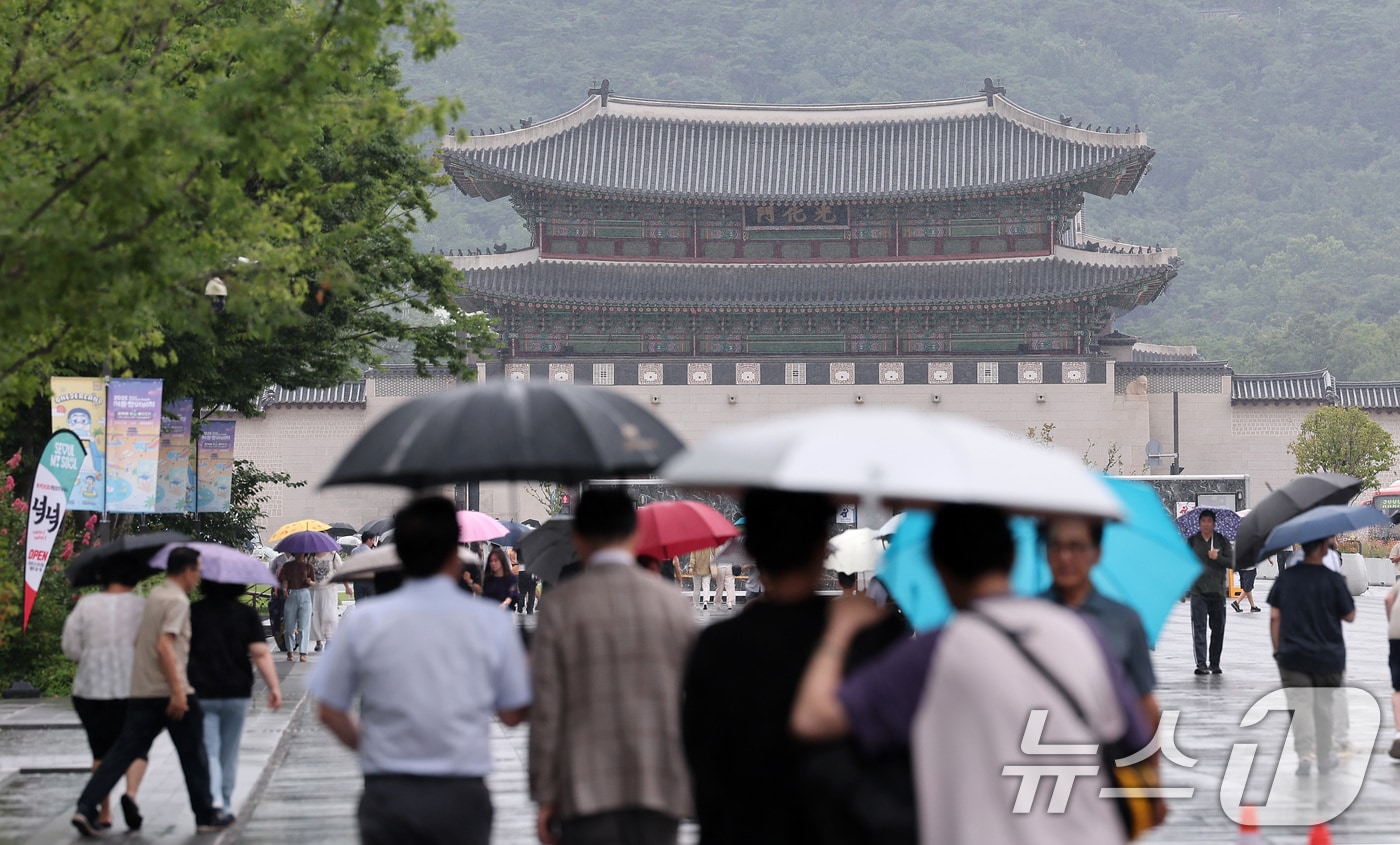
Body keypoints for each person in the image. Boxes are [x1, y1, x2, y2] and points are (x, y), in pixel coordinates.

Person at [791, 504, 1149, 845]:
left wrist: (839, 630)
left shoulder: (931, 653)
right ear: (1013, 557)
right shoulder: (1084, 634)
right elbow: (1136, 740)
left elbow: (813, 719)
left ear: (938, 567)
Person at [310, 496, 530, 845]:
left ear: (400, 553)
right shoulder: (489, 622)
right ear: (454, 554)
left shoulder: (364, 621)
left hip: (389, 789)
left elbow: (329, 709)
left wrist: (369, 745)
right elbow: (513, 713)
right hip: (462, 790)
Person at [529, 489, 695, 845]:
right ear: (636, 534)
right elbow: (694, 700)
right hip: (658, 786)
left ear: (578, 539)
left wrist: (545, 793)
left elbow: (547, 709)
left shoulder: (560, 607)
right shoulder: (674, 605)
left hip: (585, 790)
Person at [682, 489, 840, 844]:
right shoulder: (854, 640)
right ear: (822, 547)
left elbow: (700, 758)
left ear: (751, 549)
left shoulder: (717, 646)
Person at [71, 547, 235, 836]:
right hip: (170, 691)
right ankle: (206, 814)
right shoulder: (177, 601)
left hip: (143, 691)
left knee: (122, 753)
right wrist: (178, 692)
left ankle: (85, 806)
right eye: (197, 571)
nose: (198, 577)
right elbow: (164, 646)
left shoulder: (156, 595)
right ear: (186, 571)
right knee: (194, 754)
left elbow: (141, 640)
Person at [1038, 516, 1160, 729]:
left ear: (1096, 554)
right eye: (1056, 546)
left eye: (1076, 547)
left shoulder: (1123, 620)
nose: (1065, 557)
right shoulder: (1029, 617)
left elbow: (1145, 704)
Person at [61, 571, 149, 831]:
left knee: (100, 750)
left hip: (89, 689)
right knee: (136, 746)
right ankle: (130, 796)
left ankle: (104, 813)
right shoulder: (140, 606)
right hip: (130, 688)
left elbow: (70, 648)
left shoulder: (86, 605)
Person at [189, 582, 283, 814]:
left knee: (209, 749)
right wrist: (273, 687)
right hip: (236, 691)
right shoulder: (246, 614)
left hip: (202, 691)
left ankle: (214, 800)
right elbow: (260, 653)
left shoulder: (193, 612)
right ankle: (226, 802)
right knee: (229, 752)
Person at [1268, 534, 1356, 775]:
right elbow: (1350, 615)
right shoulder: (1334, 579)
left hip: (1293, 655)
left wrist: (1277, 650)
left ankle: (1305, 755)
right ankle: (1325, 756)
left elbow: (1275, 617)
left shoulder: (1286, 578)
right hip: (1328, 656)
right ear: (1323, 549)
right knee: (1324, 706)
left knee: (1300, 706)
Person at [1187, 510, 1233, 675]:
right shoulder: (1192, 541)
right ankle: (1201, 664)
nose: (1206, 524)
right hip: (1198, 592)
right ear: (1199, 523)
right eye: (1203, 521)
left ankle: (1214, 663)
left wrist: (1217, 558)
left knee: (1218, 629)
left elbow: (1232, 562)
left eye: (1209, 521)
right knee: (1199, 628)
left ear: (1214, 523)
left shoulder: (1221, 541)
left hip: (1217, 592)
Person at [279, 553, 316, 662]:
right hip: (292, 593)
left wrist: (310, 582)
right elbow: (284, 580)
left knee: (304, 626)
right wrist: (284, 590)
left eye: (302, 552)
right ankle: (290, 650)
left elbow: (313, 582)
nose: (300, 554)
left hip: (305, 594)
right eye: (298, 552)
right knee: (289, 625)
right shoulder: (288, 566)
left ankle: (303, 652)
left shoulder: (308, 566)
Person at [310, 551, 341, 652]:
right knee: (315, 615)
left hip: (329, 589)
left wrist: (347, 587)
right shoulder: (309, 556)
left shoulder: (333, 555)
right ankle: (318, 642)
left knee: (329, 615)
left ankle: (329, 638)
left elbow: (341, 571)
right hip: (313, 590)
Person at [1386, 575, 1400, 760]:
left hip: (1396, 634)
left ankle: (1399, 734)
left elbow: (1388, 599)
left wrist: (1391, 621)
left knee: (1398, 687)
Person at [481, 545, 520, 610]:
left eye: (496, 560)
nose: (493, 563)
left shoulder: (511, 578)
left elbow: (512, 594)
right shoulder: (488, 579)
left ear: (502, 561)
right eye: (491, 561)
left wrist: (505, 603)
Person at [349, 531, 379, 600]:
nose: (373, 542)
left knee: (359, 602)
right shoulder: (372, 553)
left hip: (357, 580)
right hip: (369, 581)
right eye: (373, 540)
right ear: (368, 540)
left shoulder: (354, 551)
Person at [513, 547, 538, 614]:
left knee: (522, 591)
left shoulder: (519, 549)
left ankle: (520, 607)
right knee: (531, 592)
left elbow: (516, 560)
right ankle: (530, 610)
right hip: (531, 570)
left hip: (521, 571)